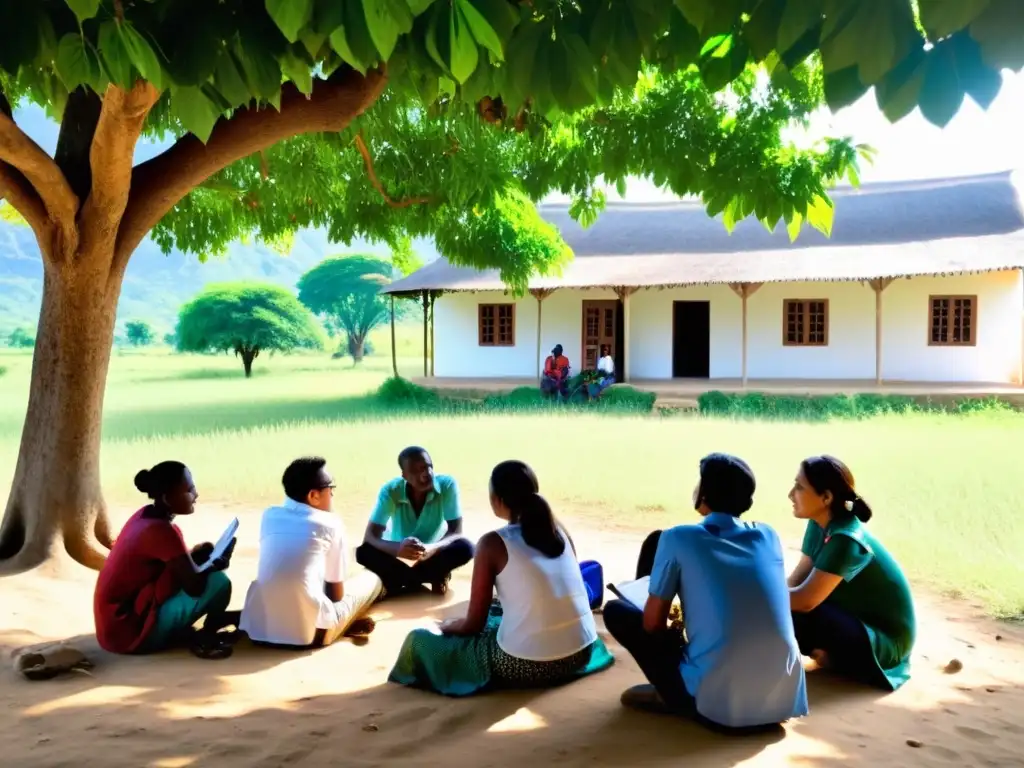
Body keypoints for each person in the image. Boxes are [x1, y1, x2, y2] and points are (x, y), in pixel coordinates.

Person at [603, 453, 807, 730]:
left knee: (617, 611)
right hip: (781, 701)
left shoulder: (678, 537)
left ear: (705, 493)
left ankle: (672, 693)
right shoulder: (767, 535)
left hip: (717, 710)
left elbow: (652, 625)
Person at [389, 460, 613, 695]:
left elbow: (472, 625)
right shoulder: (559, 531)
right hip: (582, 652)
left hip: (528, 664)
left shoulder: (492, 543)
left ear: (498, 500)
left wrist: (448, 626)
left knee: (418, 641)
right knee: (497, 608)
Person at [787, 455, 916, 691]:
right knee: (780, 611)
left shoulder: (845, 539)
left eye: (799, 487)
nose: (790, 494)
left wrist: (751, 596)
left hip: (883, 644)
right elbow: (796, 582)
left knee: (794, 615)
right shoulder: (818, 523)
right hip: (853, 622)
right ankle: (830, 657)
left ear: (826, 497)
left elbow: (804, 602)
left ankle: (841, 661)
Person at [94, 461, 238, 659]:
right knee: (218, 582)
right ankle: (209, 630)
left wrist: (200, 557)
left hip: (112, 628)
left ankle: (207, 624)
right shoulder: (160, 531)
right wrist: (216, 564)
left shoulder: (144, 516)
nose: (195, 495)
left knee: (207, 572)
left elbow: (173, 565)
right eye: (189, 489)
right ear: (167, 499)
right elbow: (194, 587)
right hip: (128, 634)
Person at [240, 457, 383, 648]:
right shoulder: (331, 523)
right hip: (312, 637)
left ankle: (342, 623)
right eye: (331, 488)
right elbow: (335, 595)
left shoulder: (269, 516)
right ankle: (343, 625)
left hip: (261, 633)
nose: (332, 494)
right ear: (313, 496)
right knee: (372, 580)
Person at [356, 447, 474, 597]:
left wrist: (430, 548)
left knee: (466, 547)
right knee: (363, 552)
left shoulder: (447, 485)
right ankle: (432, 576)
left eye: (428, 467)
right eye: (416, 470)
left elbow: (456, 533)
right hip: (400, 558)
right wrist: (399, 548)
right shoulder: (391, 490)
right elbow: (370, 537)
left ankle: (402, 580)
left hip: (432, 556)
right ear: (404, 475)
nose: (426, 474)